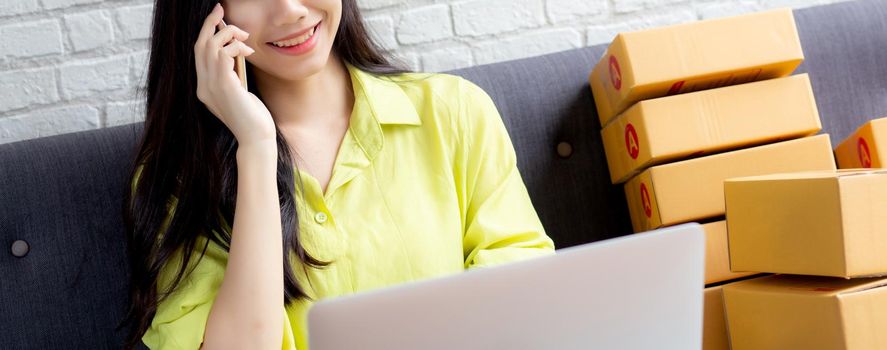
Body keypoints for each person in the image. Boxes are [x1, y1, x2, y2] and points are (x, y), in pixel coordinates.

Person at [121, 0, 556, 349]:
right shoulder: (179, 180)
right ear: (207, 15)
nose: (290, 10)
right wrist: (255, 148)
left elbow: (525, 292)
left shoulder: (454, 111)